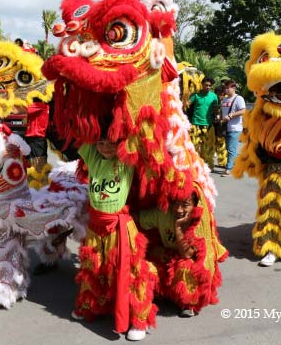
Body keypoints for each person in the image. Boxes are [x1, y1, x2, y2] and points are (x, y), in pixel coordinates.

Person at [72, 127, 157, 341]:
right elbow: (81, 130)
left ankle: (138, 319)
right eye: (100, 143)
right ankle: (92, 307)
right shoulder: (92, 156)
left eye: (110, 142)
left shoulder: (125, 160)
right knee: (94, 268)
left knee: (131, 273)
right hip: (95, 226)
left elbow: (137, 135)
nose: (105, 147)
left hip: (120, 228)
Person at [136, 182, 227, 317]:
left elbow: (187, 254)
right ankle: (166, 293)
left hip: (190, 263)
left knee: (185, 266)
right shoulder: (163, 213)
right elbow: (136, 217)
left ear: (195, 205)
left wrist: (178, 228)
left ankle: (187, 303)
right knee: (143, 267)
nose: (178, 210)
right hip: (167, 257)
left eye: (185, 205)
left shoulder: (199, 221)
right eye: (175, 203)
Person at [188, 77, 218, 169]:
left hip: (208, 124)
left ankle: (205, 165)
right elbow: (187, 104)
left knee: (207, 147)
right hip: (196, 124)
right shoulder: (196, 95)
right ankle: (193, 164)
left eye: (209, 86)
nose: (208, 87)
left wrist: (217, 116)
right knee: (194, 146)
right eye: (206, 85)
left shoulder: (213, 96)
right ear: (202, 85)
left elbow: (216, 109)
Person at [220, 79, 246, 176]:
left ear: (233, 88)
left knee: (231, 149)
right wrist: (220, 116)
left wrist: (230, 115)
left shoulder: (239, 98)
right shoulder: (224, 99)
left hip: (235, 128)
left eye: (228, 88)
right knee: (228, 148)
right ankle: (235, 165)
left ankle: (229, 168)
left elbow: (243, 111)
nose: (226, 90)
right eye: (225, 88)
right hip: (225, 128)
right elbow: (222, 111)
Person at [212, 85, 227, 168]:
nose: (220, 96)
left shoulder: (226, 101)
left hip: (222, 125)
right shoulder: (213, 100)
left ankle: (222, 162)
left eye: (222, 94)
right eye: (218, 94)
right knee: (213, 142)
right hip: (214, 124)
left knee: (222, 143)